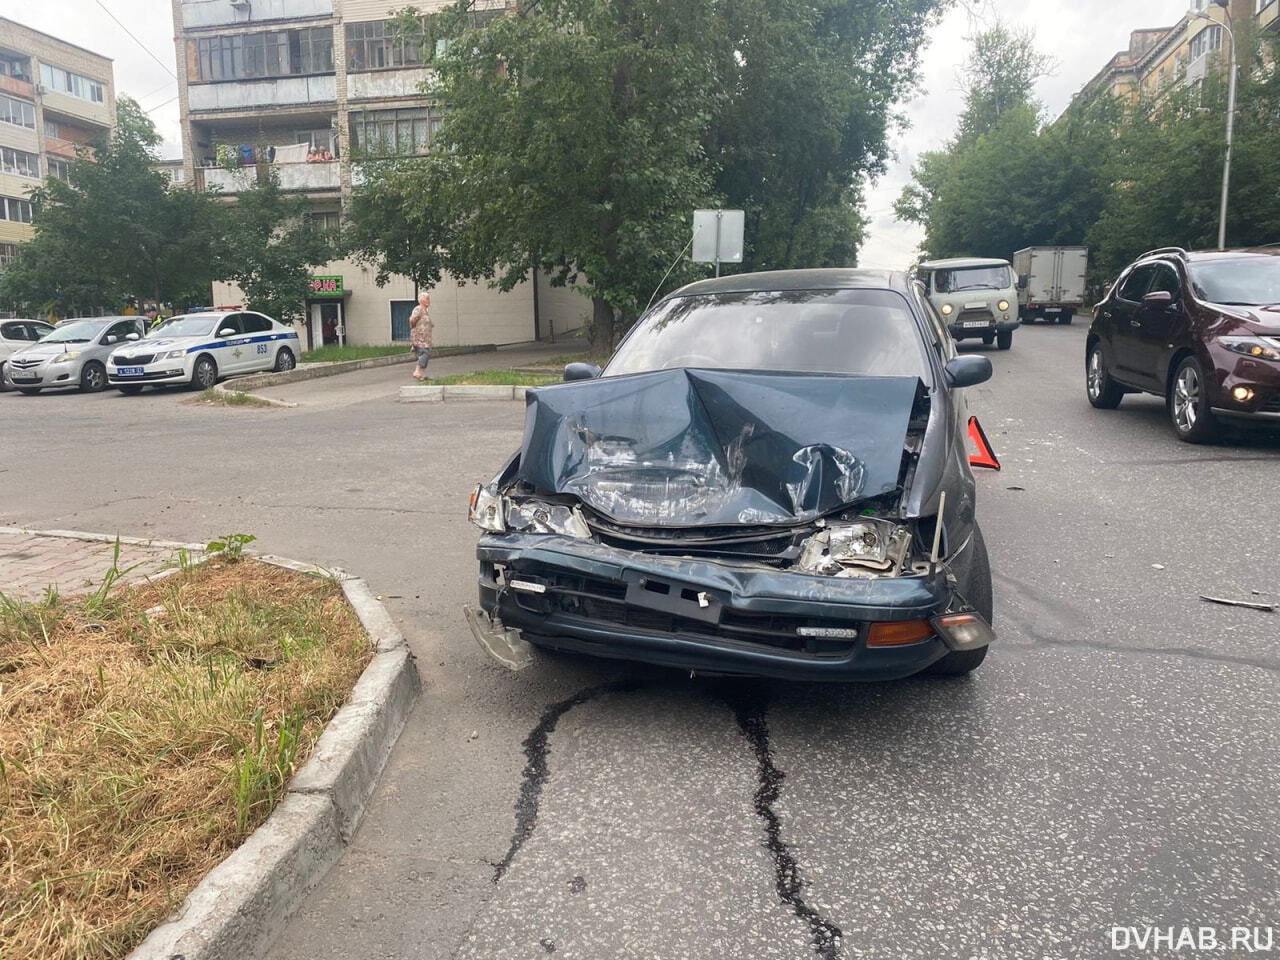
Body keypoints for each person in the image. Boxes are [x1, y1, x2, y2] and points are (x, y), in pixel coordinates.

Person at [409, 291, 433, 381]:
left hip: (426, 339)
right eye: (427, 299)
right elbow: (412, 320)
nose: (429, 301)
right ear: (422, 300)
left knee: (426, 353)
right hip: (419, 338)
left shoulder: (425, 311)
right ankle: (417, 371)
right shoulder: (418, 309)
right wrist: (416, 330)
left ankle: (421, 373)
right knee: (425, 353)